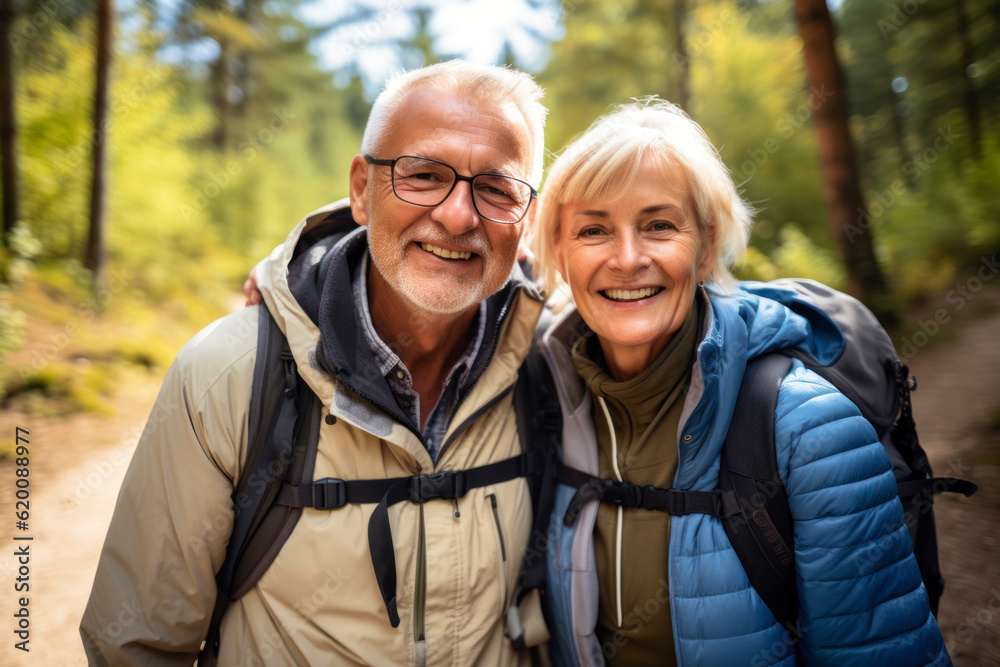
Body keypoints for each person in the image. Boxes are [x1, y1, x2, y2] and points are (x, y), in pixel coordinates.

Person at [81, 60, 551, 665]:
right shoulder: (229, 374)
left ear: (528, 220)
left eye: (495, 189)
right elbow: (137, 646)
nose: (460, 215)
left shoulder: (554, 363)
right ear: (360, 190)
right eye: (424, 175)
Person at [526, 99, 951, 666]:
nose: (627, 258)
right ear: (559, 249)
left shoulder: (809, 428)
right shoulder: (540, 403)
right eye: (593, 230)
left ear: (705, 245)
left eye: (658, 225)